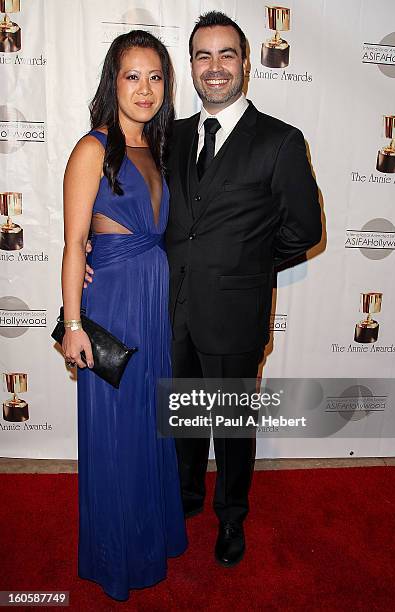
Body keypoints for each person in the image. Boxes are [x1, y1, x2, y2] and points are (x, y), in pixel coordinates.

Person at [85, 12, 322, 569]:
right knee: (184, 414)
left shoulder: (280, 141)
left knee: (232, 426)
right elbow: (145, 211)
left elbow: (305, 231)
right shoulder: (173, 135)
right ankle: (187, 494)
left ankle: (231, 516)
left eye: (226, 55)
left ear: (245, 64)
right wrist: (97, 253)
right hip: (167, 308)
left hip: (235, 311)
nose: (215, 68)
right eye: (202, 57)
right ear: (191, 66)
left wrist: (247, 263)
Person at [61, 30, 187, 601]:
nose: (145, 88)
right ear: (113, 81)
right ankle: (116, 557)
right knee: (115, 432)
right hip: (110, 306)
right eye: (132, 75)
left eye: (155, 76)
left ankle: (148, 535)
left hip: (153, 306)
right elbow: (73, 244)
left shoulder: (157, 150)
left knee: (146, 426)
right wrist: (74, 326)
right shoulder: (92, 148)